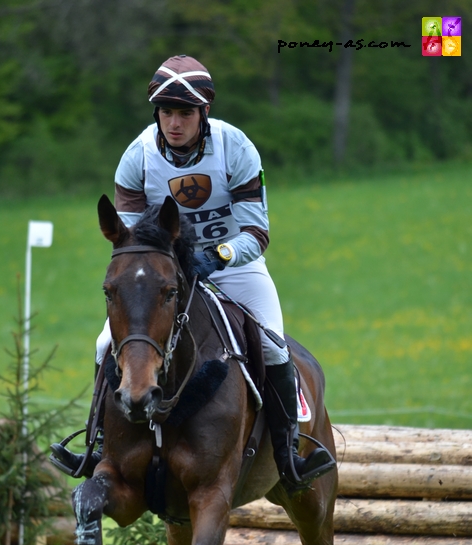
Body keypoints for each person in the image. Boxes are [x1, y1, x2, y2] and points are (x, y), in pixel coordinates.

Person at [51, 55, 335, 487]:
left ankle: (288, 454)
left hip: (234, 266)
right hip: (167, 275)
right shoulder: (137, 158)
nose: (174, 123)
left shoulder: (235, 147)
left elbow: (256, 232)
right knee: (103, 344)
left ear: (204, 112)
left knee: (275, 348)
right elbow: (130, 243)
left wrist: (217, 255)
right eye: (167, 112)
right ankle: (98, 445)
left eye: (185, 113)